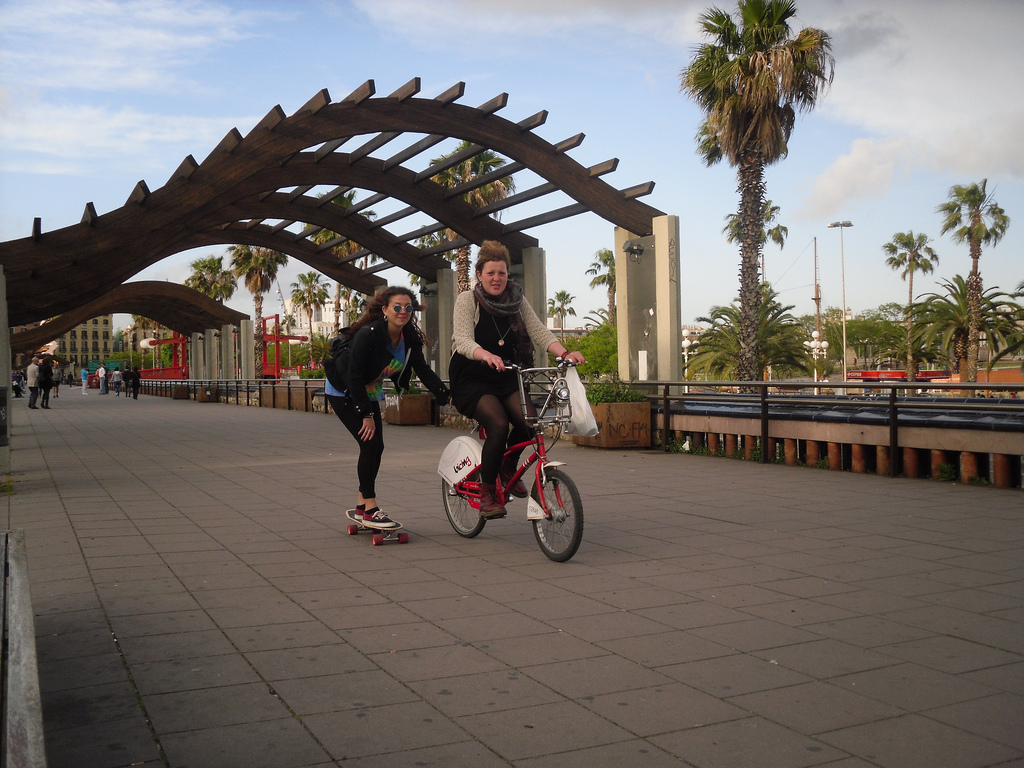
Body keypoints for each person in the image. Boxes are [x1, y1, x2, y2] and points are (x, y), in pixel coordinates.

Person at [450, 241, 586, 518]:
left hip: (507, 373)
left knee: (529, 420)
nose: (497, 278)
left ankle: (507, 466)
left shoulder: (517, 300)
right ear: (479, 274)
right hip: (472, 377)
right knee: (498, 424)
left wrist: (566, 352)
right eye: (490, 273)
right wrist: (484, 354)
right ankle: (488, 490)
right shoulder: (468, 299)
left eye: (501, 273)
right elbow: (462, 339)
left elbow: (540, 333)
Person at [325, 285, 450, 529]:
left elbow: (422, 370)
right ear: (385, 310)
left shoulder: (408, 338)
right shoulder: (369, 334)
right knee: (369, 443)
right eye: (397, 307)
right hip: (343, 390)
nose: (403, 311)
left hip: (368, 389)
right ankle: (371, 508)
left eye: (408, 307)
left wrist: (446, 395)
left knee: (377, 446)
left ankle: (362, 505)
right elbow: (354, 376)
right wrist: (366, 414)